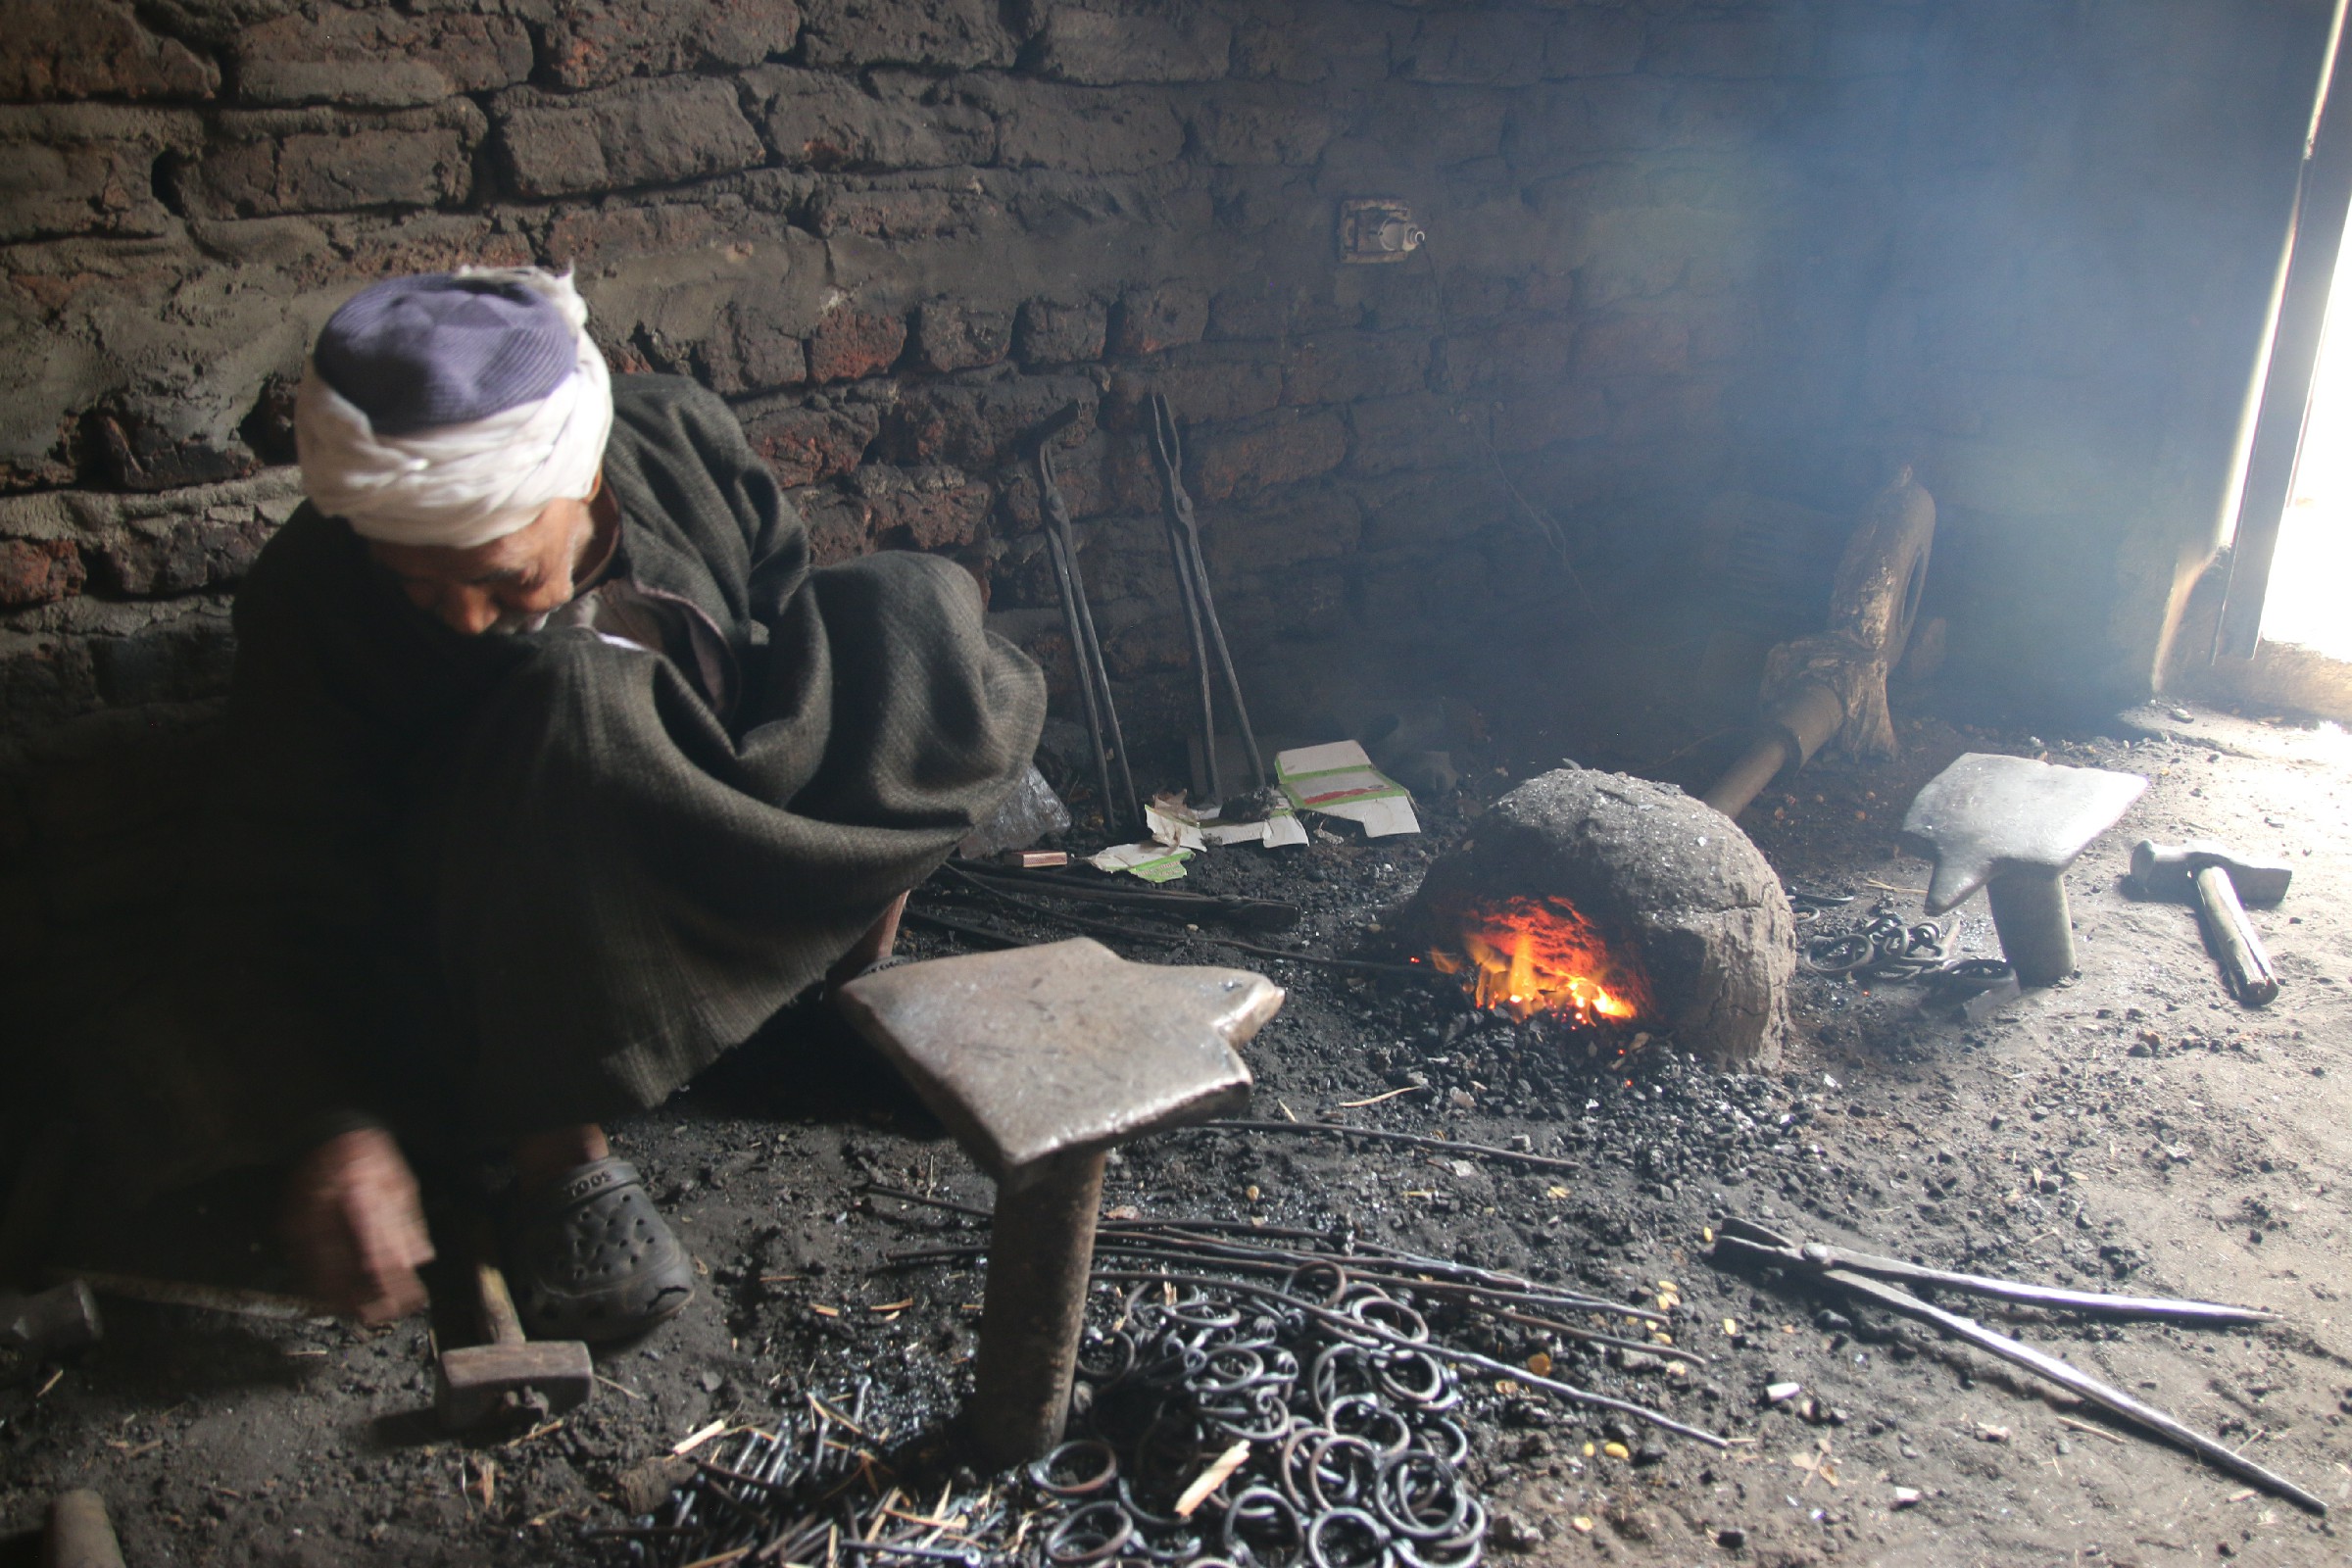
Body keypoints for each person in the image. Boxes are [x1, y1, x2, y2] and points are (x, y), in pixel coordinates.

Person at [149, 269, 1045, 1340]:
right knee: (566, 694)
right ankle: (556, 1155)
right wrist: (336, 1123)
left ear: (577, 487)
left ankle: (836, 994)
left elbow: (783, 610)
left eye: (497, 576)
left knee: (916, 616)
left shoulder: (673, 438)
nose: (467, 618)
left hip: (709, 797)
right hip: (502, 919)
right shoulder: (315, 594)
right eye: (420, 589)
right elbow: (273, 877)